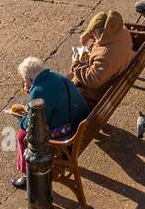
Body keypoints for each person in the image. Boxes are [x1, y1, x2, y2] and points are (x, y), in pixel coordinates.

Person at [10, 56, 89, 189]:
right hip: (81, 121)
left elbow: (33, 126)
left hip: (68, 135)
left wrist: (20, 118)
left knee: (22, 136)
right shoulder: (57, 76)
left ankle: (27, 175)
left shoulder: (38, 92)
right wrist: (32, 91)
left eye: (25, 80)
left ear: (29, 78)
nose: (25, 83)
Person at [70, 10, 133, 104]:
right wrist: (88, 38)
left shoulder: (105, 55)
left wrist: (76, 64)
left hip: (90, 95)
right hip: (111, 71)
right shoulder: (120, 30)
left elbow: (92, 80)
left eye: (93, 33)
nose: (92, 35)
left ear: (102, 32)